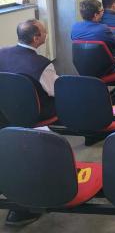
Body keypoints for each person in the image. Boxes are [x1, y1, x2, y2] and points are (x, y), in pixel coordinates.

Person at [0, 19, 58, 226]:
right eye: (44, 32)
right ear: (36, 38)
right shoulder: (42, 64)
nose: (46, 34)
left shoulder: (1, 52)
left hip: (5, 114)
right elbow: (55, 91)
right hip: (36, 115)